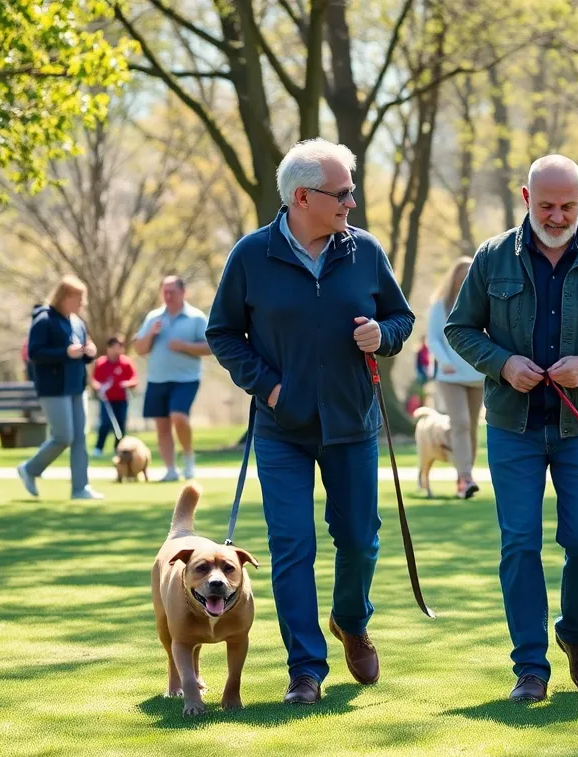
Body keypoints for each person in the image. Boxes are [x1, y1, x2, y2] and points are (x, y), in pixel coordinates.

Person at [207, 138, 416, 706]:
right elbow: (222, 333)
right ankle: (305, 669)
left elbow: (400, 316)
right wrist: (270, 387)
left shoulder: (365, 250)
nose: (352, 201)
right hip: (282, 428)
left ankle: (351, 620)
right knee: (292, 545)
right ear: (303, 197)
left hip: (352, 422)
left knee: (359, 541)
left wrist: (384, 334)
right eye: (342, 192)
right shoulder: (251, 256)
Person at [445, 155, 578, 704]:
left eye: (567, 205)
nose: (557, 217)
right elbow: (459, 329)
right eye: (545, 206)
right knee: (519, 545)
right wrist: (501, 363)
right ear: (524, 197)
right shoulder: (492, 258)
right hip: (512, 425)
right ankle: (530, 666)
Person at [17, 276, 104, 500]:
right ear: (65, 297)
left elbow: (81, 352)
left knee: (79, 438)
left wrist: (88, 352)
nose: (82, 304)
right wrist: (64, 353)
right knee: (63, 436)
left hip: (76, 386)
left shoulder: (77, 321)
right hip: (53, 388)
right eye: (79, 298)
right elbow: (34, 353)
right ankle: (30, 469)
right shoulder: (44, 320)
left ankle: (80, 488)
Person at [134, 276, 210, 482]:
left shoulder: (196, 317)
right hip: (157, 379)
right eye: (164, 292)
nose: (167, 296)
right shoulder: (153, 317)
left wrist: (185, 346)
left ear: (183, 293)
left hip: (186, 379)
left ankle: (188, 457)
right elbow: (139, 349)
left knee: (178, 416)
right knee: (162, 425)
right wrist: (150, 333)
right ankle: (170, 469)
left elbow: (211, 347)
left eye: (172, 292)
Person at [428, 256, 486, 498]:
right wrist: (445, 362)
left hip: (477, 375)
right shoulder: (441, 305)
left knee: (471, 426)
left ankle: (466, 475)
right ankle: (464, 477)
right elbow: (434, 338)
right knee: (460, 422)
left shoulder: (483, 303)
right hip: (450, 376)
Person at [91, 336, 138, 456]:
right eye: (113, 347)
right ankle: (98, 448)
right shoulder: (101, 362)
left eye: (119, 348)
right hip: (107, 400)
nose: (116, 351)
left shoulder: (126, 363)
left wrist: (127, 384)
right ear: (108, 348)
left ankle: (119, 449)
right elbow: (95, 380)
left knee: (121, 424)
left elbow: (134, 379)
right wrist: (98, 386)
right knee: (105, 423)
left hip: (122, 399)